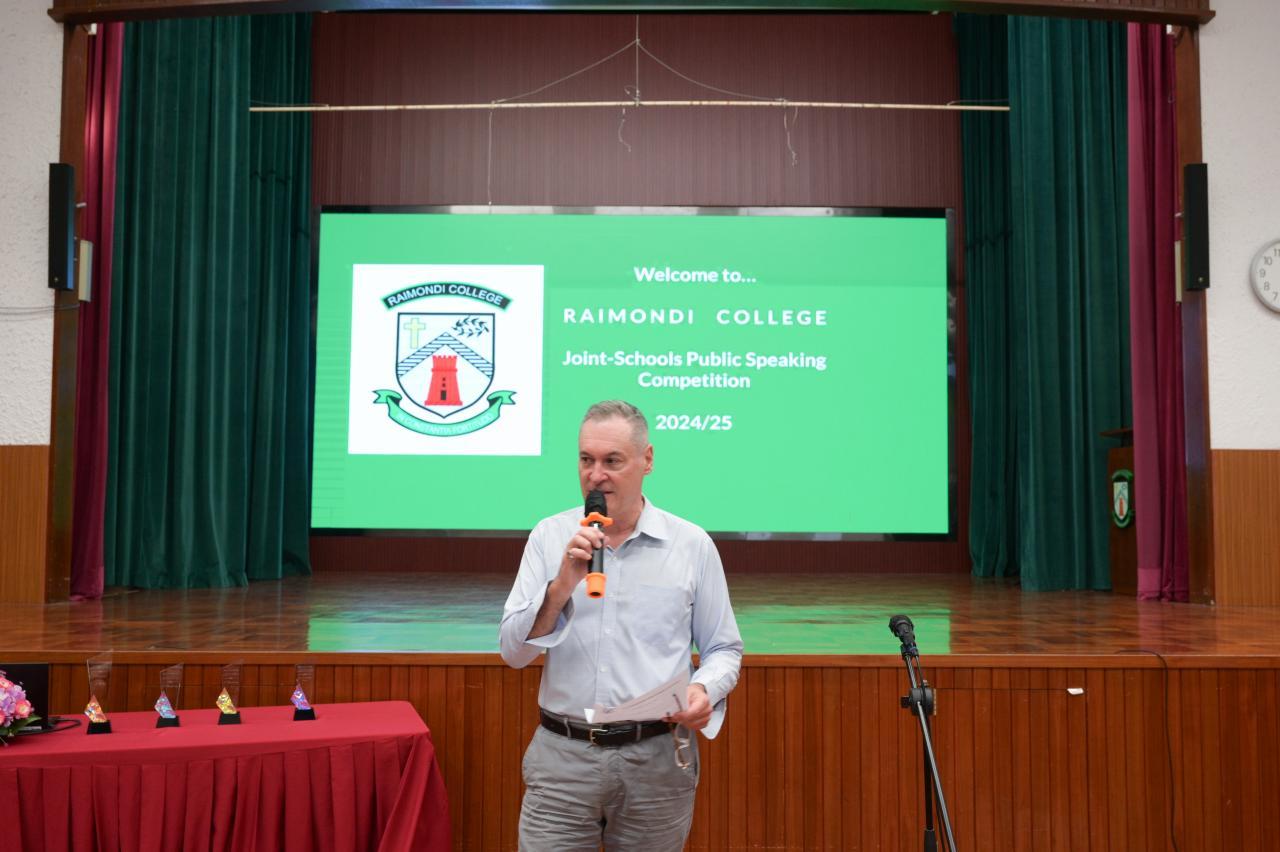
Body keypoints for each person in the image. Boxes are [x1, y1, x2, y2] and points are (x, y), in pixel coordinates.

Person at [499, 400, 743, 852]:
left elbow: (724, 649)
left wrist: (703, 690)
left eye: (612, 461)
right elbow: (514, 653)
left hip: (657, 760)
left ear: (647, 460)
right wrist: (562, 585)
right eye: (586, 460)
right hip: (562, 760)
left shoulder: (691, 545)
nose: (596, 475)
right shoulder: (550, 537)